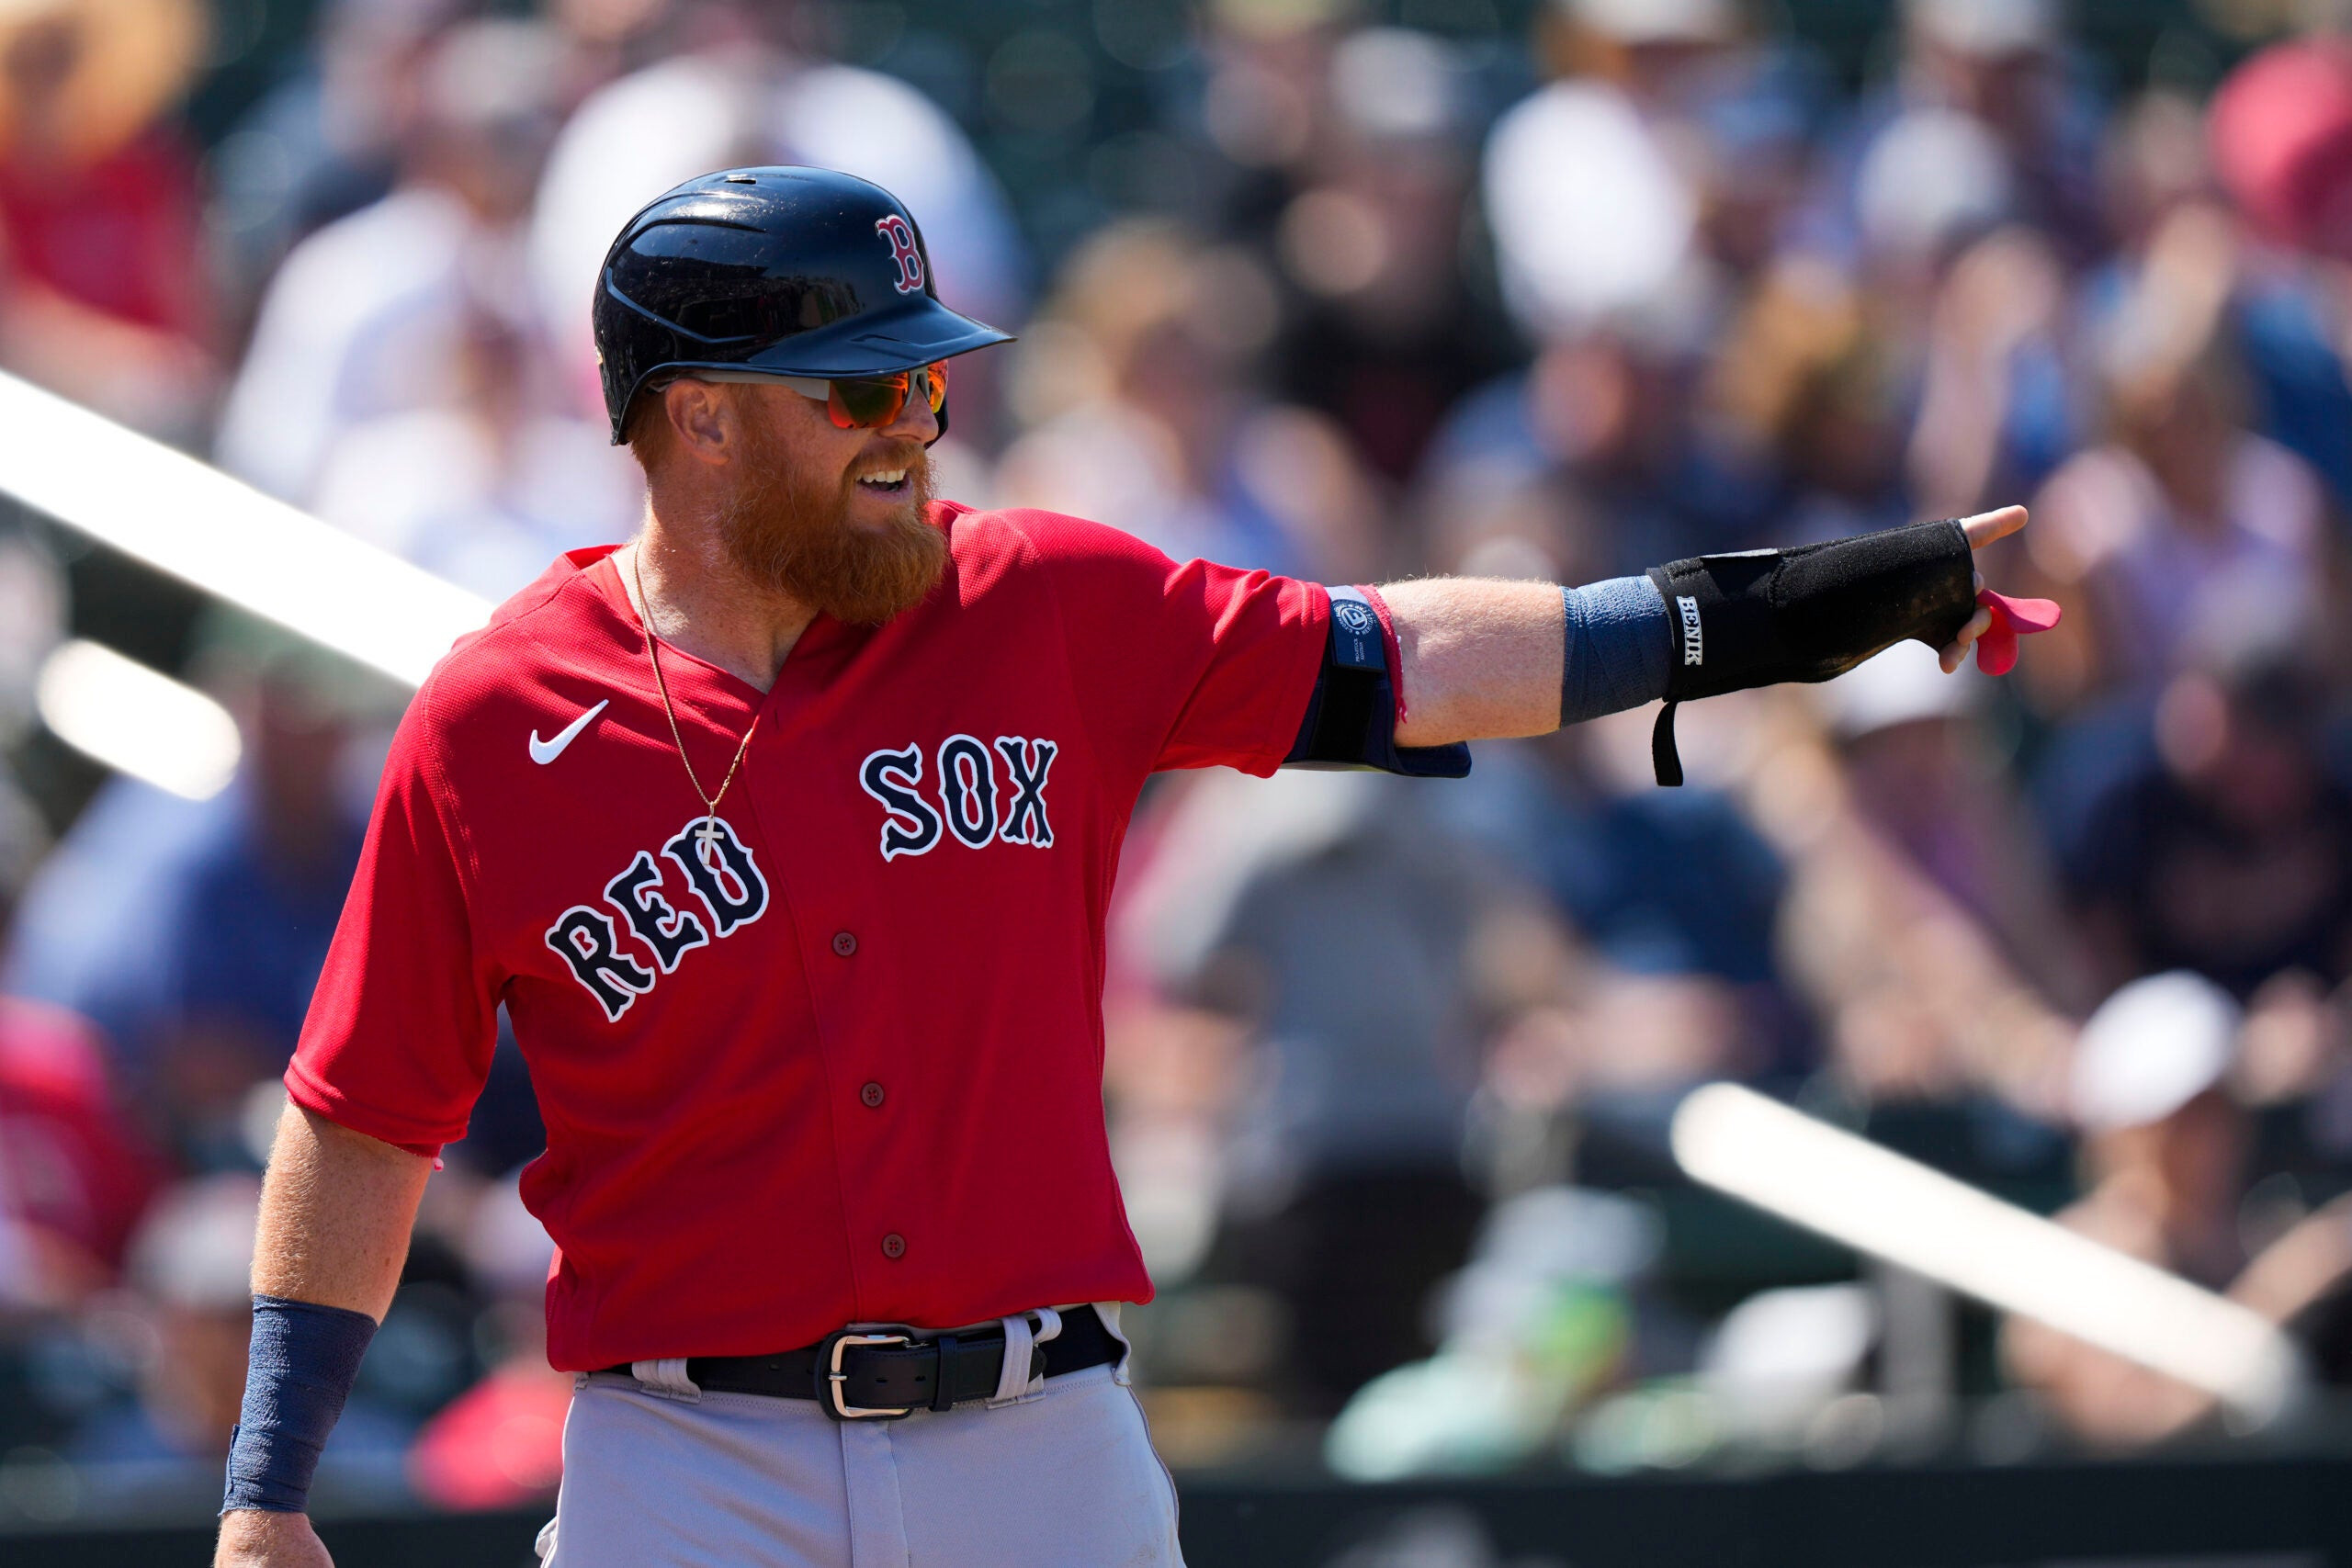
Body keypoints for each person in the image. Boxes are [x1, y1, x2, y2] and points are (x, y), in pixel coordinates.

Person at [213, 165, 2041, 1568]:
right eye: (858, 393)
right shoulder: (494, 721)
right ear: (700, 418)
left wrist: (1754, 624)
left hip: (1038, 1439)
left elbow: (1394, 647)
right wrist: (267, 1488)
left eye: (924, 382)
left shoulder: (1040, 601)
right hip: (689, 1463)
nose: (916, 423)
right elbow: (366, 1109)